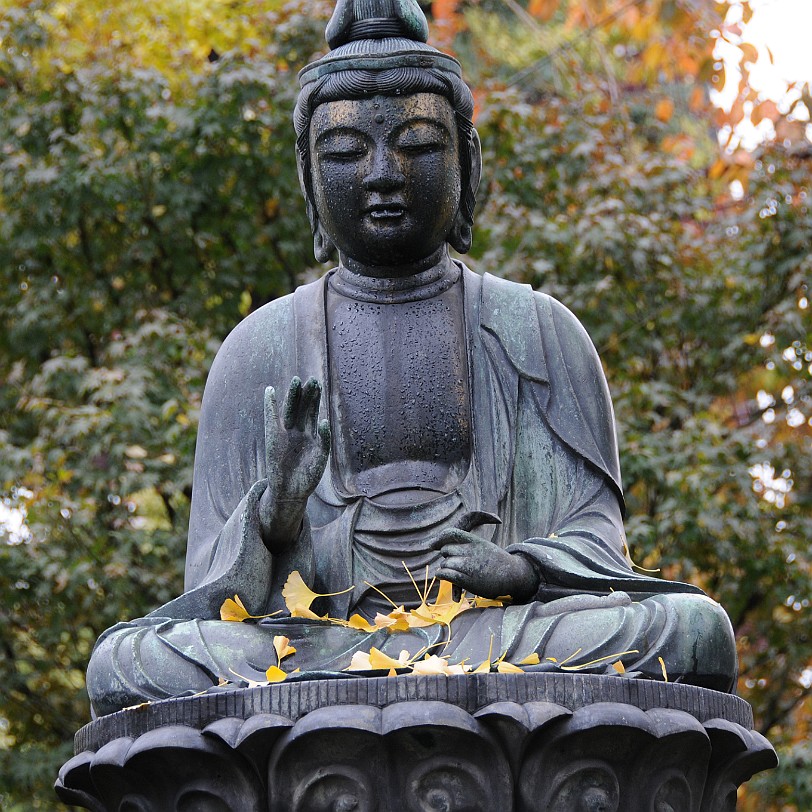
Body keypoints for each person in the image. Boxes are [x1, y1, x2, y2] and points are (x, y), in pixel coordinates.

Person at [86, 0, 737, 718]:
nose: (383, 173)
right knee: (130, 665)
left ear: (468, 161)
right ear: (308, 178)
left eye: (419, 145)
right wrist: (275, 515)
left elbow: (595, 541)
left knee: (695, 635)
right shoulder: (255, 352)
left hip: (502, 635)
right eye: (345, 153)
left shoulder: (539, 330)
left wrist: (521, 569)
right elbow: (216, 593)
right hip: (312, 645)